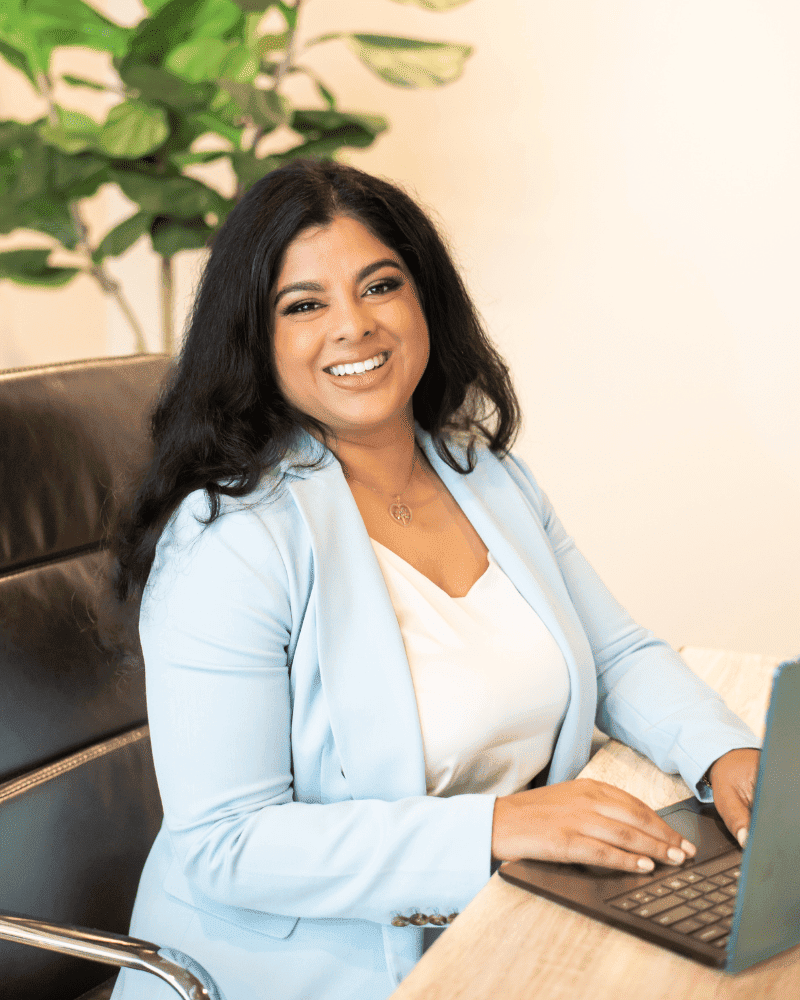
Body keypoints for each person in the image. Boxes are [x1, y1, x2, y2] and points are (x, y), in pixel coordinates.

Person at [110, 159, 759, 1000]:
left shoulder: (482, 474)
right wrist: (492, 828)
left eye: (380, 286)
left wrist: (724, 750)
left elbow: (616, 653)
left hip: (501, 915)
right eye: (304, 305)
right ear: (254, 339)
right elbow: (226, 844)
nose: (354, 326)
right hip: (308, 970)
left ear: (425, 301)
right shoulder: (229, 540)